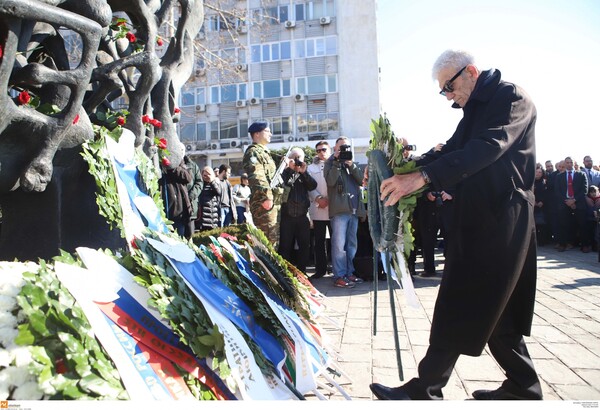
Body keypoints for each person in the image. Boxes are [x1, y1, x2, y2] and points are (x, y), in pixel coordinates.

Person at [370, 49, 543, 400]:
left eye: (448, 87)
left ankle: (426, 387)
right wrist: (404, 167)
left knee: (460, 300)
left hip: (502, 216)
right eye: (443, 91)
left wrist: (423, 177)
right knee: (499, 308)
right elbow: (451, 149)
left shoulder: (510, 98)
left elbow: (488, 147)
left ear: (471, 72)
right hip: (480, 215)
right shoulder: (475, 108)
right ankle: (524, 388)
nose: (448, 96)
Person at [324, 136, 365, 288]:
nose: (344, 150)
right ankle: (339, 276)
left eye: (347, 147)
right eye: (341, 147)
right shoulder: (329, 163)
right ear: (335, 149)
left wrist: (351, 166)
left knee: (351, 246)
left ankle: (349, 273)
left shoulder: (351, 163)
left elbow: (362, 181)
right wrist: (336, 162)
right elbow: (330, 182)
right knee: (339, 246)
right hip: (340, 211)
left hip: (353, 210)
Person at [242, 120, 283, 246]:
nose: (270, 134)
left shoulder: (264, 152)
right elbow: (257, 177)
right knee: (267, 242)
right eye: (267, 131)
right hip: (263, 203)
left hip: (272, 203)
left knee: (273, 240)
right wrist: (267, 196)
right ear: (257, 134)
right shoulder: (253, 152)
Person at [278, 147, 317, 274]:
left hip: (302, 216)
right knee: (285, 246)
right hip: (287, 216)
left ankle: (302, 272)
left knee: (304, 246)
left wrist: (303, 172)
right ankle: (285, 273)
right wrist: (288, 168)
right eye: (294, 157)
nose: (297, 160)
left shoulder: (304, 173)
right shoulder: (284, 173)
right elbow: (279, 185)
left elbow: (313, 186)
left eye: (299, 157)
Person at [307, 141, 332, 279]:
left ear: (329, 150)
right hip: (318, 208)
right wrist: (318, 199)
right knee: (319, 241)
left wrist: (329, 199)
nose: (321, 152)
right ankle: (320, 269)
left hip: (334, 207)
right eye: (318, 150)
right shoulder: (311, 168)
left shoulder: (335, 164)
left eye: (324, 149)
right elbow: (309, 186)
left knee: (336, 241)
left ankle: (337, 269)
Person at [554, 156, 589, 252]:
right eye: (567, 162)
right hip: (564, 203)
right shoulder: (559, 176)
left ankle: (585, 245)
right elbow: (557, 191)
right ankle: (562, 244)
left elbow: (584, 190)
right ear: (565, 164)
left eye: (571, 162)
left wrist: (574, 200)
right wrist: (567, 201)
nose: (569, 164)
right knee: (563, 224)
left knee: (582, 224)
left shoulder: (581, 175)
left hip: (578, 203)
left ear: (574, 163)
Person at [159, 157, 193, 238]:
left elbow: (187, 178)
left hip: (178, 211)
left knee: (179, 239)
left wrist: (171, 166)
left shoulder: (178, 160)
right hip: (162, 211)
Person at [196, 166, 222, 231]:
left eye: (209, 174)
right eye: (205, 175)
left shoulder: (215, 183)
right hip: (202, 217)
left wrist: (211, 181)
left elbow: (218, 192)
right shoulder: (200, 184)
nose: (206, 177)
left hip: (212, 216)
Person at [184, 155, 203, 239]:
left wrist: (191, 196)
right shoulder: (171, 165)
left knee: (190, 236)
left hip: (190, 206)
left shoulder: (193, 166)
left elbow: (199, 183)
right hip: (175, 207)